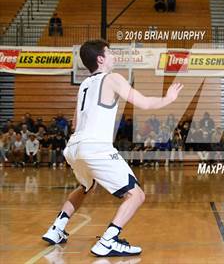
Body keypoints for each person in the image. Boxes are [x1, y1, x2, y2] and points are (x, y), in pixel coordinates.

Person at [41, 39, 183, 257]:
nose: (114, 56)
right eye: (110, 52)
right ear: (101, 58)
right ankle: (108, 240)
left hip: (74, 147)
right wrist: (169, 98)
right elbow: (144, 104)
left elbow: (74, 123)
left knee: (86, 186)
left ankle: (57, 228)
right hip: (95, 147)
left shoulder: (85, 85)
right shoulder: (113, 78)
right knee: (136, 195)